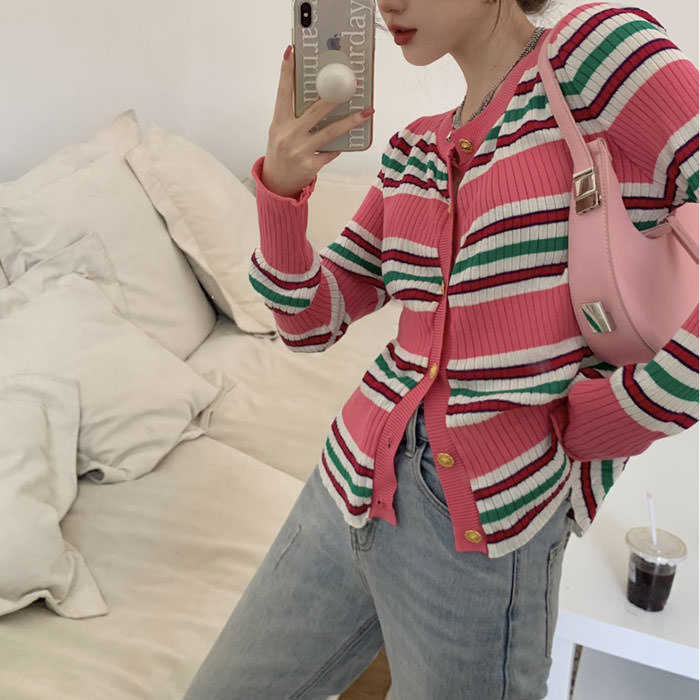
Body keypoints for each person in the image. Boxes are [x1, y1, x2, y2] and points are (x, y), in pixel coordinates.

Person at [185, 0, 698, 697]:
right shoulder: (414, 151)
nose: (385, 4)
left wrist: (628, 412)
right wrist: (279, 191)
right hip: (345, 486)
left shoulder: (597, 55)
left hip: (479, 533)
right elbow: (310, 324)